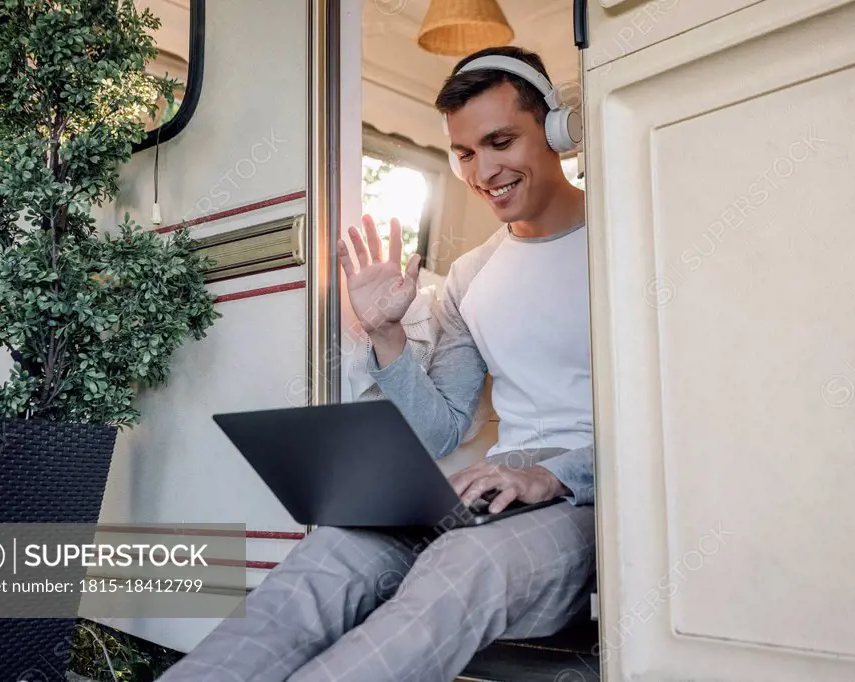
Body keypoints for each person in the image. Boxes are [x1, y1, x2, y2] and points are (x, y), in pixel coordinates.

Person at [159, 45, 596, 682]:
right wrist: (387, 333)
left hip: (591, 503)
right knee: (325, 559)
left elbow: (678, 425)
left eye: (501, 141)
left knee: (459, 570)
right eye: (466, 153)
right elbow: (441, 429)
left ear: (556, 128)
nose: (483, 171)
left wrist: (552, 476)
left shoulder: (631, 235)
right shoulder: (470, 278)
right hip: (490, 487)